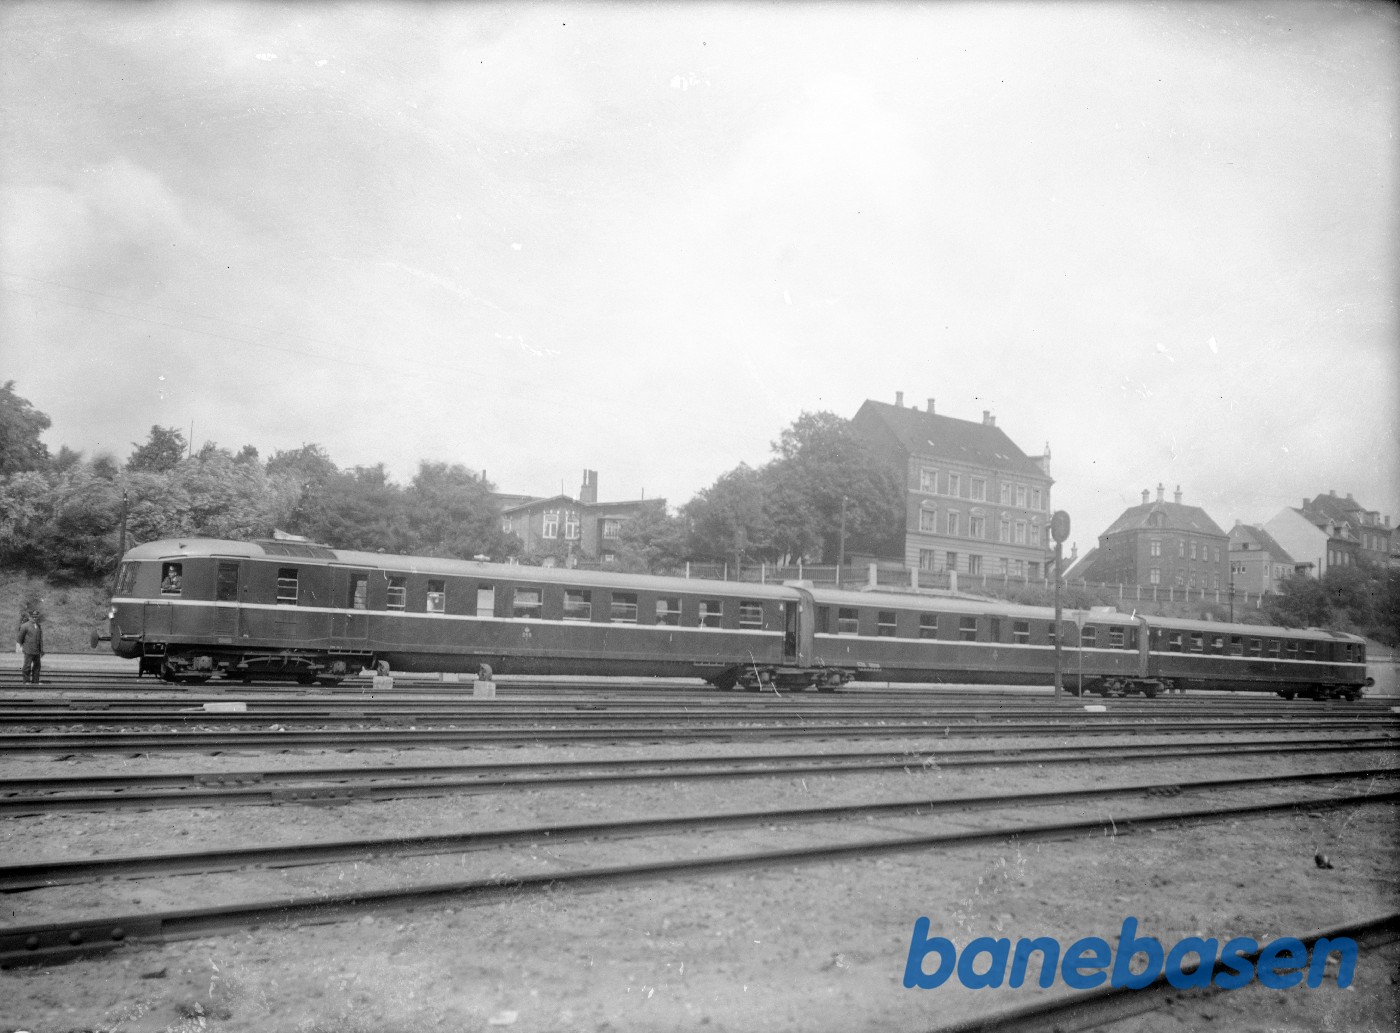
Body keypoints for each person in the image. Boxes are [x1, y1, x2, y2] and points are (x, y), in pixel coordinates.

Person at [17, 610, 44, 685]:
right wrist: (21, 647)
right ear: (30, 617)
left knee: (37, 667)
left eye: (36, 617)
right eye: (33, 617)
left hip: (37, 650)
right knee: (27, 666)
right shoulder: (25, 626)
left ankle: (35, 681)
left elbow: (40, 639)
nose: (34, 618)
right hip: (28, 650)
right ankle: (26, 681)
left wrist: (41, 650)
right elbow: (20, 638)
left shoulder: (38, 625)